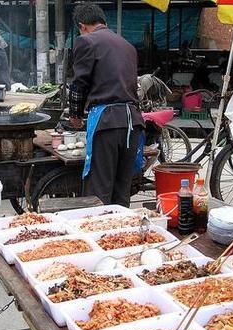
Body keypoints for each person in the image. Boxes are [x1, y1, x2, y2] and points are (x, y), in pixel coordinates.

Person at [68, 3, 144, 207]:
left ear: (82, 25)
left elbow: (79, 83)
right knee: (122, 189)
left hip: (107, 123)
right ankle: (121, 234)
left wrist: (75, 114)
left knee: (99, 190)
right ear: (104, 21)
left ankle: (99, 235)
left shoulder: (85, 41)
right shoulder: (127, 45)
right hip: (133, 122)